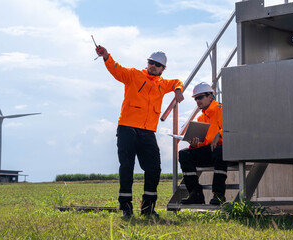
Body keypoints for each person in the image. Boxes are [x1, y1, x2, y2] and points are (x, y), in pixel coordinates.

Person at [96, 45, 184, 217]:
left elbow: (177, 82)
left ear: (163, 69)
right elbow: (116, 70)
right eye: (150, 62)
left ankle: (148, 209)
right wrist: (106, 55)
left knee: (154, 169)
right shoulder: (134, 75)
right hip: (127, 129)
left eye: (157, 65)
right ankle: (126, 208)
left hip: (147, 132)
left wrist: (178, 90)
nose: (152, 66)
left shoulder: (162, 84)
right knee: (126, 167)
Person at [178, 82, 226, 205]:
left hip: (227, 151)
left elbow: (235, 125)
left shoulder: (223, 109)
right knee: (185, 154)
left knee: (219, 151)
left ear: (210, 96)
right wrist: (195, 144)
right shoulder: (201, 118)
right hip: (211, 152)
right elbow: (204, 142)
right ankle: (196, 194)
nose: (198, 101)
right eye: (196, 98)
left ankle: (219, 194)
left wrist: (220, 134)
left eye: (200, 97)